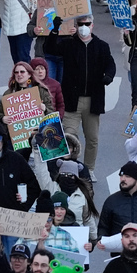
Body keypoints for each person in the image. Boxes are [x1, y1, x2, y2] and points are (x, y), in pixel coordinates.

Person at [47, 14, 117, 174]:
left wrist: (108, 76)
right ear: (76, 26)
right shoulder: (69, 44)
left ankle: (88, 169)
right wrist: (55, 29)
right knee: (69, 136)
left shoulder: (102, 46)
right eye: (81, 24)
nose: (84, 27)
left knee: (92, 138)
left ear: (92, 25)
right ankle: (67, 167)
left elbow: (110, 64)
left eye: (87, 24)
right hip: (72, 100)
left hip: (93, 100)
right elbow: (50, 49)